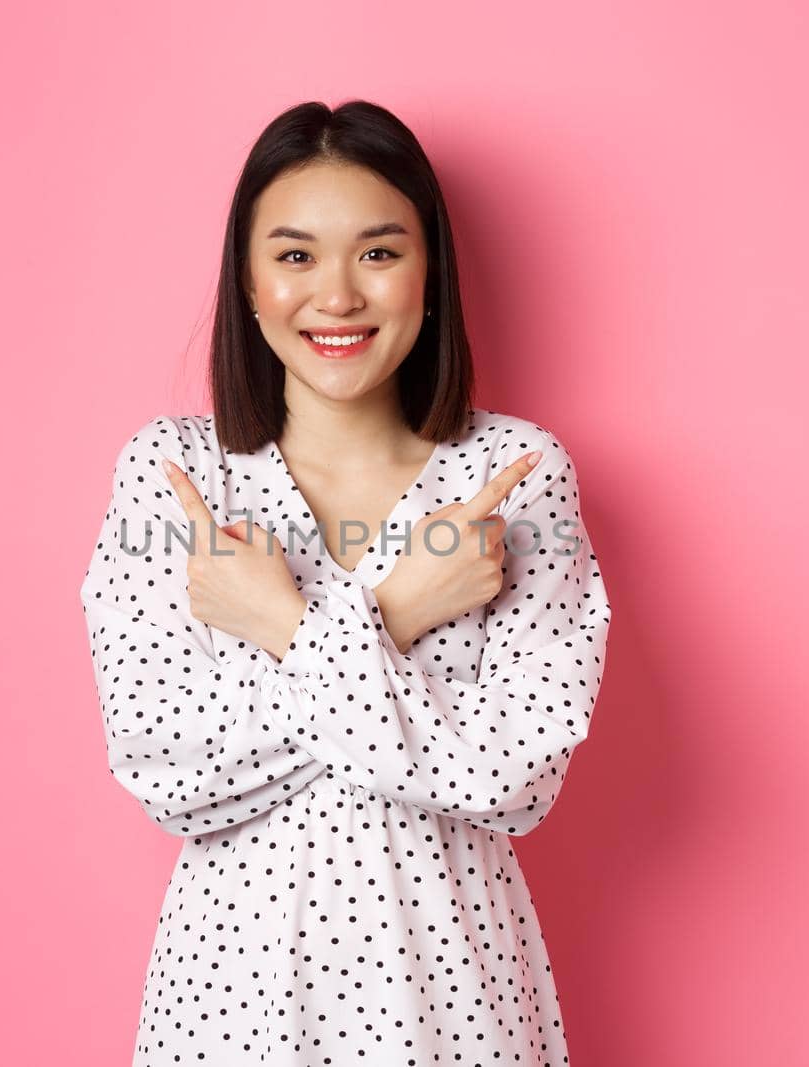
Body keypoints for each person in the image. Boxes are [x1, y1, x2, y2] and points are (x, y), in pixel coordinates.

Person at [80, 99, 613, 1066]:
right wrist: (398, 613)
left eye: (377, 253)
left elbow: (511, 779)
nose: (337, 295)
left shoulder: (517, 475)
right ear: (247, 283)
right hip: (230, 995)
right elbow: (171, 770)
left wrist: (283, 623)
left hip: (454, 989)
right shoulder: (175, 477)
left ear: (430, 274)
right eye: (294, 256)